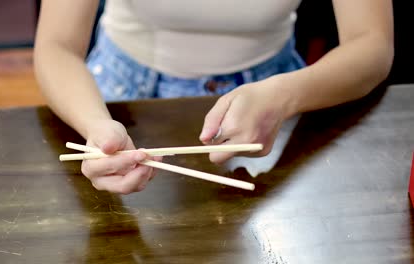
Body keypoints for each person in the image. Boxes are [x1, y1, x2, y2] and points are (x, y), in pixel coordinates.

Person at [34, 0, 394, 194]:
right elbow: (57, 46)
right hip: (119, 95)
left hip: (274, 93)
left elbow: (372, 43)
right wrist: (96, 126)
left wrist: (285, 95)